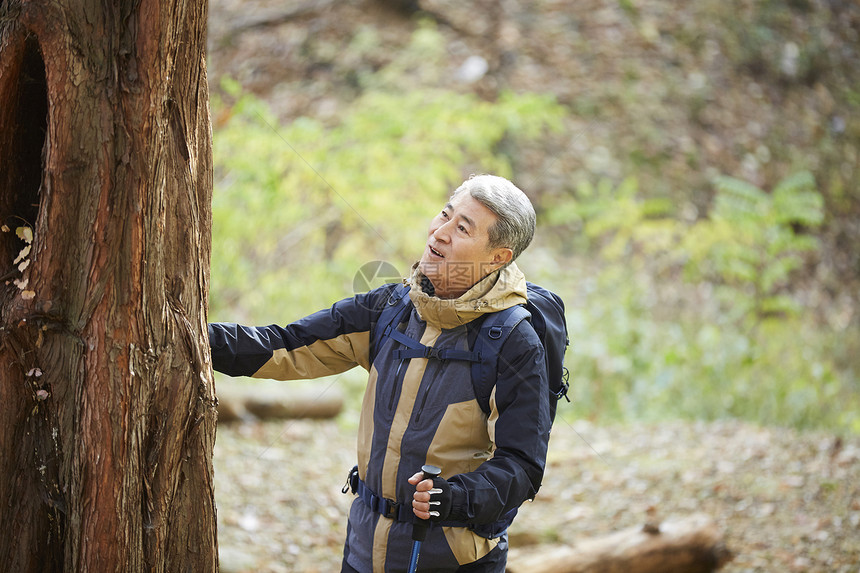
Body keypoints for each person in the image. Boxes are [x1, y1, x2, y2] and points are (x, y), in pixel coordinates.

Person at [208, 174, 550, 572]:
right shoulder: (390, 308)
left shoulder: (513, 341)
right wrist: (193, 337)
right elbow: (286, 346)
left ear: (497, 257)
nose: (439, 233)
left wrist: (453, 497)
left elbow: (522, 466)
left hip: (454, 560)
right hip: (364, 551)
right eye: (445, 214)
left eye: (462, 228)